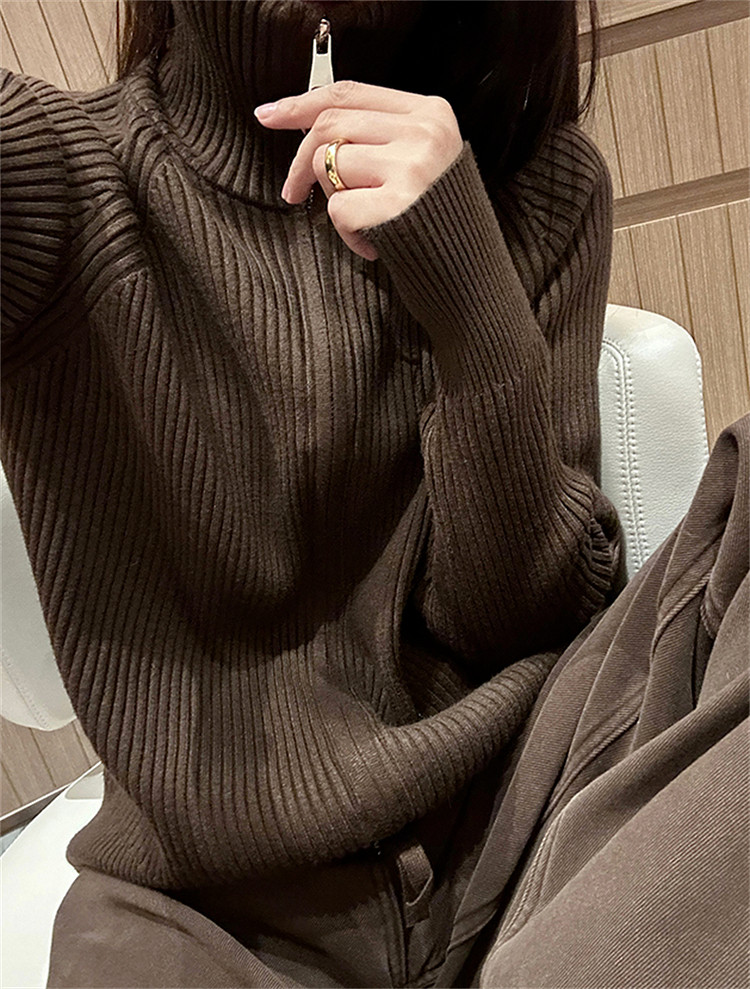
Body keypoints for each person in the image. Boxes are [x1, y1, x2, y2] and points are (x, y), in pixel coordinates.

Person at [0, 1, 746, 986]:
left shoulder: (539, 181)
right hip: (207, 903)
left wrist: (471, 303)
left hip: (534, 795)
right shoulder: (51, 169)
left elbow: (524, 615)